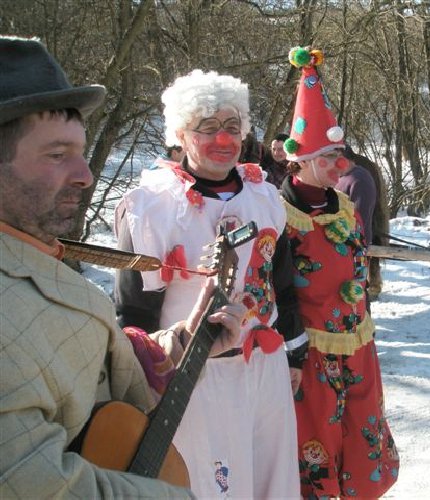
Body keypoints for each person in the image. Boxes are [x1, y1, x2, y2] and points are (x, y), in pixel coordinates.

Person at [0, 35, 244, 498]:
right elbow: (32, 484)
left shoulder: (33, 248)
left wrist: (182, 343)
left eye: (80, 152)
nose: (86, 175)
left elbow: (83, 367)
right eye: (57, 155)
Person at [114, 69, 306, 498]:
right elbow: (133, 312)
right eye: (207, 127)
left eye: (232, 127)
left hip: (264, 368)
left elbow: (281, 283)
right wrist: (146, 386)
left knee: (272, 481)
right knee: (210, 485)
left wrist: (295, 354)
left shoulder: (265, 196)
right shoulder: (152, 206)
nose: (223, 139)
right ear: (181, 135)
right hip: (193, 377)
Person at [279, 46, 400, 498]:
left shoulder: (345, 206)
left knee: (362, 434)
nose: (340, 165)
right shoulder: (280, 215)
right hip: (311, 356)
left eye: (340, 155)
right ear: (302, 159)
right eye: (328, 157)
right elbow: (277, 291)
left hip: (359, 345)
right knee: (317, 443)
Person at [336, 143, 388, 301]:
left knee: (357, 295)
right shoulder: (342, 177)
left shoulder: (359, 179)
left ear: (344, 158)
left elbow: (360, 219)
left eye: (335, 158)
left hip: (354, 247)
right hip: (344, 246)